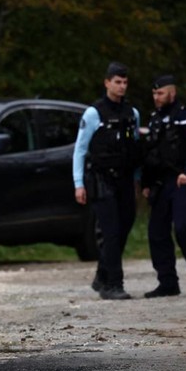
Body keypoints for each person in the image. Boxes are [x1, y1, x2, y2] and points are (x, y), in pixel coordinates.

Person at [73, 62, 141, 300]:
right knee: (111, 232)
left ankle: (102, 275)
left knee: (123, 229)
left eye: (124, 82)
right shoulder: (94, 113)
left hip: (125, 180)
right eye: (117, 82)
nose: (121, 86)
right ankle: (114, 284)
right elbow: (80, 151)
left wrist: (138, 180)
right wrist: (78, 183)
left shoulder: (132, 114)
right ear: (107, 82)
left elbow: (135, 148)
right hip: (102, 180)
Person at [141, 75, 186, 297]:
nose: (156, 98)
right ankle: (168, 282)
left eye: (160, 93)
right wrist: (146, 183)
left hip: (180, 181)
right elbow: (150, 153)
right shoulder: (154, 119)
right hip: (160, 184)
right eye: (154, 94)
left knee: (183, 229)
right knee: (157, 233)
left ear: (172, 92)